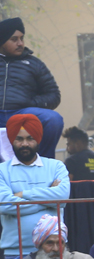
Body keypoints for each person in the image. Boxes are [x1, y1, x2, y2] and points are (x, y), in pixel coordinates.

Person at [0, 114, 69, 259]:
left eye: (30, 138)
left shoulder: (56, 166)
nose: (25, 144)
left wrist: (23, 195)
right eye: (19, 139)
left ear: (38, 139)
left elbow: (62, 196)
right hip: (16, 252)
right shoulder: (2, 170)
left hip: (54, 250)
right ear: (12, 140)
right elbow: (5, 205)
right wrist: (48, 199)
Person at [0, 18, 63, 160]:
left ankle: (43, 162)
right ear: (2, 41)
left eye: (22, 38)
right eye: (14, 39)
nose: (20, 43)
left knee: (53, 119)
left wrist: (31, 103)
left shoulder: (34, 64)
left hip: (22, 113)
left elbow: (53, 95)